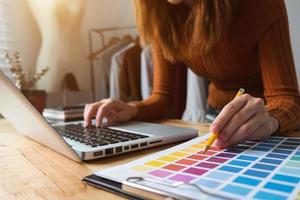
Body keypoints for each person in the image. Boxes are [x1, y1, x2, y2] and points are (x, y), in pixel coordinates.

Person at [84, 0, 300, 148]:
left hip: (265, 126)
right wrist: (131, 109)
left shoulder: (259, 5)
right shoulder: (161, 13)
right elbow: (165, 99)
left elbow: (288, 99)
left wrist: (270, 119)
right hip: (212, 119)